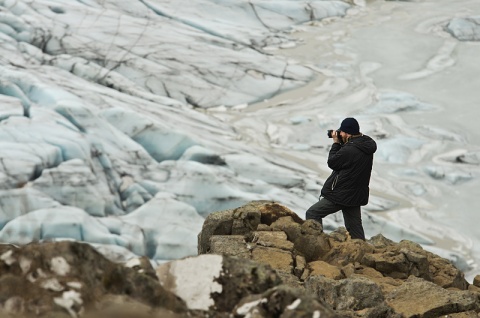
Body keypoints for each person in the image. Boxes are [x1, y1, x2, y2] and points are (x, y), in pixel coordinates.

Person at [306, 117, 377, 240]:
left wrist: (336, 142)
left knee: (313, 213)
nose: (340, 133)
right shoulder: (365, 144)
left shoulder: (350, 149)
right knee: (355, 228)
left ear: (347, 132)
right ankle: (362, 252)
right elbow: (350, 155)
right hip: (355, 194)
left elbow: (333, 162)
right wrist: (344, 141)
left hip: (342, 194)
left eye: (342, 131)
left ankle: (316, 243)